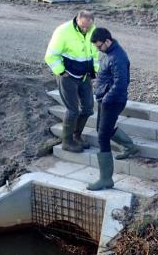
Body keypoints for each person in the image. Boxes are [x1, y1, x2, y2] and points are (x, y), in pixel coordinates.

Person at [87, 27, 139, 191]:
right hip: (106, 99)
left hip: (113, 101)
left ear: (107, 41)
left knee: (103, 135)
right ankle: (130, 146)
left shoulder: (118, 57)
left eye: (99, 46)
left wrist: (107, 98)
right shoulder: (108, 53)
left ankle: (106, 179)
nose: (98, 49)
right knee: (101, 129)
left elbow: (121, 83)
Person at [44, 10, 100, 153]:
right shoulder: (63, 31)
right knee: (73, 110)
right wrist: (61, 72)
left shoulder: (93, 30)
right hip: (67, 76)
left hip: (84, 76)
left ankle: (77, 136)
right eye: (83, 26)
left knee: (88, 108)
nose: (85, 29)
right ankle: (67, 142)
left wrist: (95, 70)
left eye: (88, 26)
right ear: (77, 19)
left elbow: (95, 53)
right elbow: (50, 55)